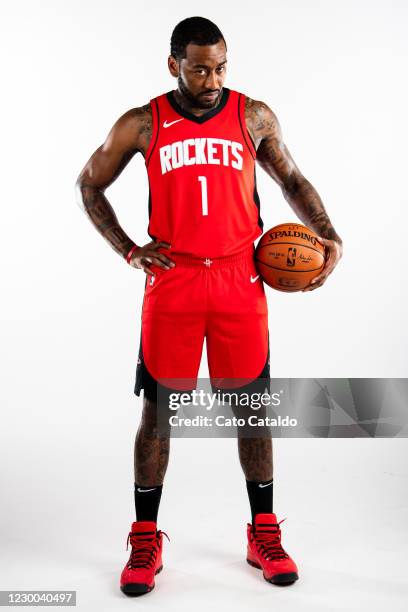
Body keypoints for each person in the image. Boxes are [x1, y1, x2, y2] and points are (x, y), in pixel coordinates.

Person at [76, 16, 343, 596]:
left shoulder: (252, 116)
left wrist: (327, 234)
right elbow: (89, 183)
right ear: (174, 64)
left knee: (251, 408)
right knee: (160, 412)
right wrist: (128, 250)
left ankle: (263, 531)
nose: (212, 78)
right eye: (199, 68)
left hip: (237, 278)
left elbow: (291, 179)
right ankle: (145, 538)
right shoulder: (143, 123)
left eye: (221, 66)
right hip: (172, 280)